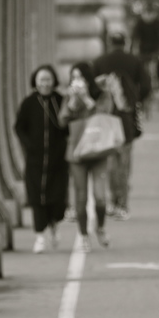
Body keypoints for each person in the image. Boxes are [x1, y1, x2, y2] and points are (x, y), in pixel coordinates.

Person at [58, 61, 116, 252]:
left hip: (98, 149)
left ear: (88, 78)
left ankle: (100, 227)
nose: (77, 81)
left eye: (80, 77)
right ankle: (83, 235)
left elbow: (105, 114)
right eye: (73, 78)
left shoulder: (102, 93)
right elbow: (62, 121)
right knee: (80, 197)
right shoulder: (70, 96)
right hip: (77, 152)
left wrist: (88, 99)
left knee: (100, 197)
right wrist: (74, 103)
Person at [93, 30, 150, 221]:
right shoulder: (134, 61)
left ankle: (112, 199)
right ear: (124, 43)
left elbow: (92, 88)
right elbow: (146, 84)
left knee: (109, 162)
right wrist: (135, 100)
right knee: (124, 163)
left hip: (107, 118)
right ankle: (122, 204)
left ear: (109, 43)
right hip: (126, 117)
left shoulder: (100, 62)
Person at [14, 64, 70, 253]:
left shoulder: (61, 101)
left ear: (54, 81)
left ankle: (55, 224)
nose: (45, 84)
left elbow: (69, 125)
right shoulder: (29, 103)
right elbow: (19, 127)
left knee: (57, 197)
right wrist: (29, 144)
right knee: (37, 198)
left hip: (58, 159)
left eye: (48, 79)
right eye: (41, 80)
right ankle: (39, 236)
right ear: (35, 82)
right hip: (35, 160)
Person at [129, 3, 159, 94]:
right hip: (143, 49)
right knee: (141, 66)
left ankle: (157, 79)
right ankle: (142, 82)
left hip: (155, 48)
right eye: (147, 13)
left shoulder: (158, 22)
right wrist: (132, 49)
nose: (149, 16)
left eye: (151, 13)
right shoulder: (140, 22)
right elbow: (134, 36)